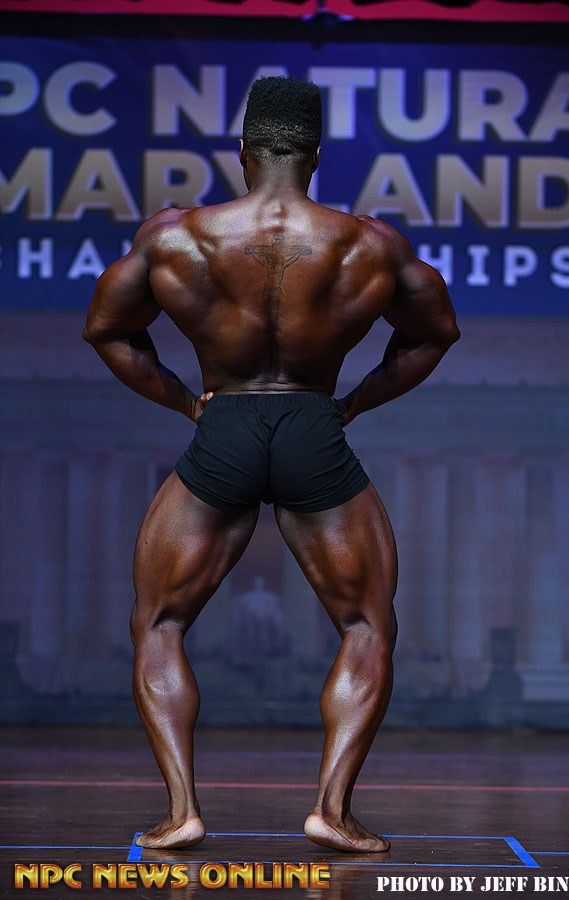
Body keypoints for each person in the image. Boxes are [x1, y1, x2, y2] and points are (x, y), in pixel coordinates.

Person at [83, 76, 460, 853]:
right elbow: (434, 333)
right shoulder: (369, 243)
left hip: (224, 425)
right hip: (313, 428)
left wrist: (186, 403)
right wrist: (353, 404)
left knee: (160, 621)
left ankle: (181, 811)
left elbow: (107, 331)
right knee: (367, 623)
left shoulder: (177, 235)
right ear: (315, 156)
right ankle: (332, 810)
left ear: (242, 151)